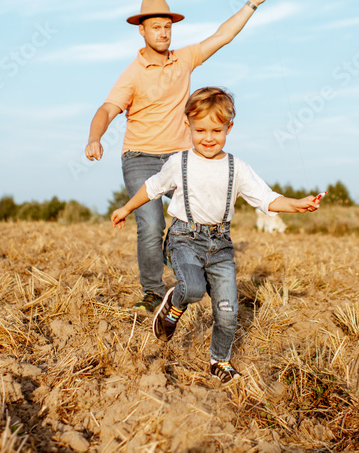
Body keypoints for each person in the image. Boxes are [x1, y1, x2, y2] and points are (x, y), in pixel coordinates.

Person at [110, 87, 320, 382]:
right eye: (200, 130)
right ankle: (173, 305)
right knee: (193, 288)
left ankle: (219, 361)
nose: (208, 137)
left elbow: (265, 197)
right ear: (188, 126)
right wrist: (126, 208)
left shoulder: (237, 167)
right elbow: (152, 187)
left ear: (229, 128)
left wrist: (296, 205)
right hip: (185, 239)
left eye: (216, 130)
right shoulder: (179, 163)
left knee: (227, 310)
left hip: (221, 246)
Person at [86, 0, 271, 318]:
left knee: (201, 214)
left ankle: (190, 259)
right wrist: (94, 138)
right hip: (140, 158)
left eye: (168, 27)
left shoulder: (183, 60)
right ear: (141, 31)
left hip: (179, 159)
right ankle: (152, 292)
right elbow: (107, 110)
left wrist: (251, 4)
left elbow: (221, 36)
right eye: (156, 27)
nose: (164, 33)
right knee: (152, 223)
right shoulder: (132, 75)